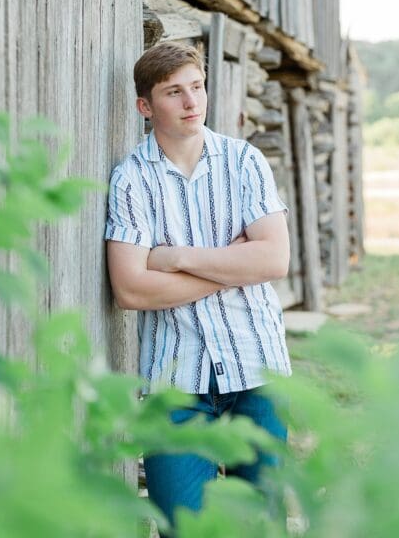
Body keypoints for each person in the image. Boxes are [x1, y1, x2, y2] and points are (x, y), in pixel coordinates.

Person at [104, 41, 292, 532]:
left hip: (257, 369)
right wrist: (232, 264)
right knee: (181, 525)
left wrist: (177, 258)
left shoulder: (245, 161)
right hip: (175, 387)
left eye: (197, 87)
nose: (192, 102)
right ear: (145, 107)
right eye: (174, 92)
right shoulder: (130, 180)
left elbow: (274, 259)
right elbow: (132, 290)